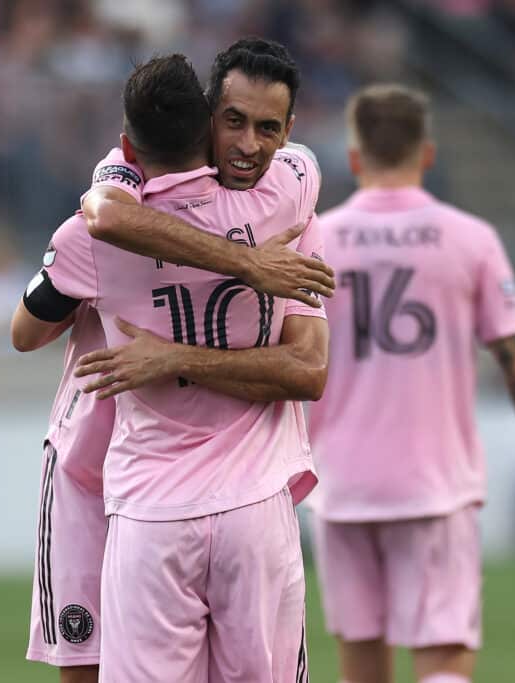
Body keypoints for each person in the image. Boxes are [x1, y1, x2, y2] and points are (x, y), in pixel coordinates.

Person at [20, 39, 332, 683]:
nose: (249, 144)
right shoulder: (287, 201)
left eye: (267, 127)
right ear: (205, 117)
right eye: (235, 121)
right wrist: (247, 262)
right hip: (102, 475)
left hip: (153, 496)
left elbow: (28, 328)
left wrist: (169, 358)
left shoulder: (101, 228)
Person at [305, 84, 515, 683]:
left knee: (361, 667)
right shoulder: (469, 237)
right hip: (434, 483)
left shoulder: (315, 240)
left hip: (341, 483)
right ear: (427, 153)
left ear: (354, 158)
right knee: (444, 660)